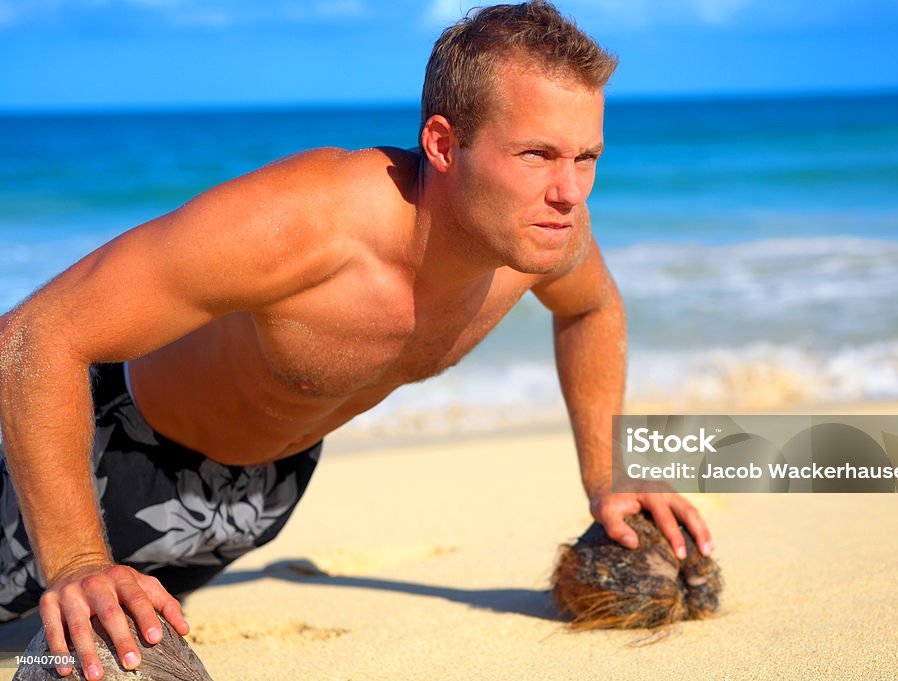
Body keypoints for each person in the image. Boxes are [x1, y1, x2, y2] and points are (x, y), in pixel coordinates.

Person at [0, 1, 712, 678]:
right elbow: (36, 334)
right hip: (105, 446)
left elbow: (591, 309)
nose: (570, 190)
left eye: (587, 157)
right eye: (536, 154)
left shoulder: (544, 235)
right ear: (442, 144)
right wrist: (76, 562)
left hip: (256, 502)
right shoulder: (303, 226)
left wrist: (606, 472)